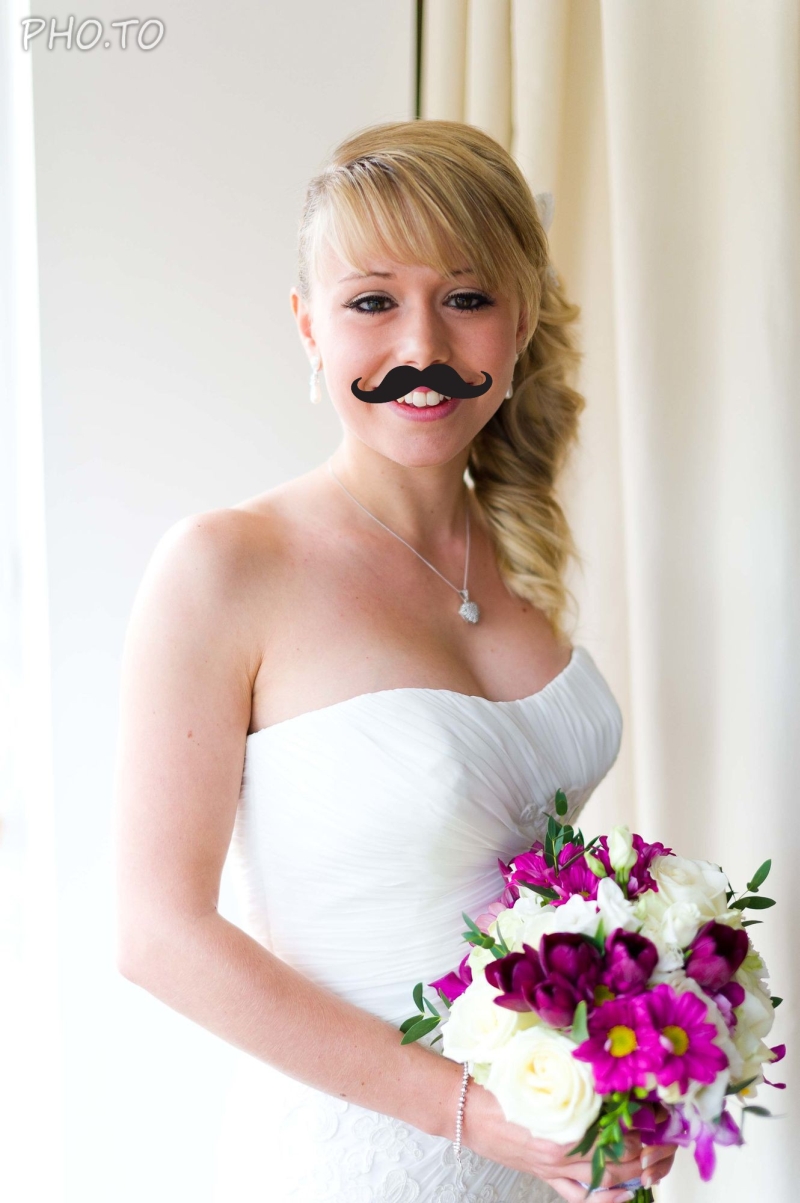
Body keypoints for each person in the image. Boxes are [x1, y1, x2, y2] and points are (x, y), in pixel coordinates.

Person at [114, 119, 677, 1202]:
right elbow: (156, 936)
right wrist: (471, 1115)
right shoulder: (226, 565)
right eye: (372, 300)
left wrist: (626, 1069)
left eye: (465, 298)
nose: (421, 342)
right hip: (357, 1164)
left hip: (543, 1165)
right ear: (307, 327)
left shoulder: (519, 562)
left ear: (516, 324)